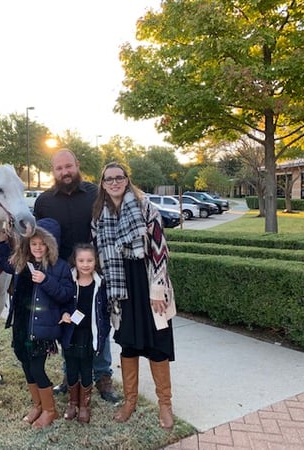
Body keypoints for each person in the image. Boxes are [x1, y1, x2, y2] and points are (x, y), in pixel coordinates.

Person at [92, 162, 176, 429]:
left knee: (157, 345)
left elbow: (160, 249)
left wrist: (157, 288)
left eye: (119, 178)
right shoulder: (98, 216)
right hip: (119, 289)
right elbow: (96, 254)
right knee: (127, 345)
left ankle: (165, 405)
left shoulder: (145, 207)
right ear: (103, 184)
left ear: (127, 180)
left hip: (148, 283)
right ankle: (130, 402)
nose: (114, 183)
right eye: (109, 179)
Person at [33, 149, 120, 403]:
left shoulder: (96, 194)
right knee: (67, 321)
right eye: (59, 168)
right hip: (62, 275)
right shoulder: (44, 201)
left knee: (98, 321)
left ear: (77, 165)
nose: (64, 172)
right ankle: (68, 375)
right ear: (54, 171)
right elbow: (39, 240)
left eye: (68, 166)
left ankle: (103, 375)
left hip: (94, 270)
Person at [0, 218, 74, 429]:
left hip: (41, 330)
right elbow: (5, 263)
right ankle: (38, 405)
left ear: (50, 244)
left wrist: (46, 281)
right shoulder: (23, 263)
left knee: (37, 369)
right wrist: (3, 241)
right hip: (22, 327)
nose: (38, 248)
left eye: (42, 244)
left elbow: (67, 295)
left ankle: (50, 410)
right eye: (34, 244)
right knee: (26, 366)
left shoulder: (59, 267)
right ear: (27, 244)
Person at [59, 243, 110, 424]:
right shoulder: (69, 281)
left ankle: (85, 405)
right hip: (71, 333)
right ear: (75, 261)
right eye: (81, 260)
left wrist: (103, 331)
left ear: (95, 262)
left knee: (86, 368)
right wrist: (63, 314)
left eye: (89, 260)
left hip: (90, 334)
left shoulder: (100, 284)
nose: (85, 264)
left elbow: (105, 311)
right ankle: (73, 403)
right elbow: (62, 301)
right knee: (71, 367)